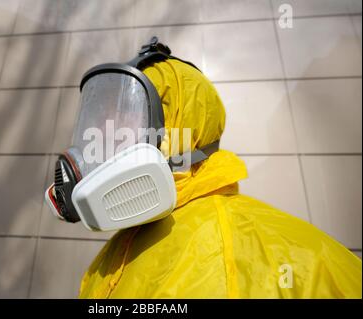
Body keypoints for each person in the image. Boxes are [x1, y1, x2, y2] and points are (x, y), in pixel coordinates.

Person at [46, 38, 362, 298]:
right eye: (101, 126)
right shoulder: (115, 253)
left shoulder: (294, 259)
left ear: (176, 132)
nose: (101, 143)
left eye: (120, 124)